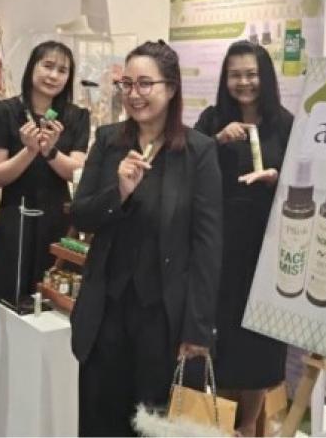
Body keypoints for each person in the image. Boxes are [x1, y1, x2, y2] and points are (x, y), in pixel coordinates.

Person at [70, 40, 223, 436]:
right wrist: (118, 192)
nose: (134, 94)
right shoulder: (108, 141)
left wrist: (197, 329)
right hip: (107, 310)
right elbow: (81, 214)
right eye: (127, 84)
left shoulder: (198, 151)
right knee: (100, 418)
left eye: (145, 84)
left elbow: (207, 244)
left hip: (163, 316)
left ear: (170, 88)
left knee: (153, 423)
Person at [194, 40, 294, 436]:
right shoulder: (212, 119)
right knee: (220, 337)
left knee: (258, 343)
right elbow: (187, 163)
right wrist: (216, 140)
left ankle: (249, 424)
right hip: (219, 246)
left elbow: (304, 178)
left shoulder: (284, 123)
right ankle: (220, 423)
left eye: (251, 74)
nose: (243, 82)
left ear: (265, 77)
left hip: (265, 247)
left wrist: (275, 177)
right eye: (235, 75)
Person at [0, 40, 89, 342]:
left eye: (62, 70)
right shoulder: (3, 111)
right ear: (32, 68)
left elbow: (75, 172)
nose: (53, 75)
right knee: (9, 295)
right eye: (47, 66)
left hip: (58, 217)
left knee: (54, 294)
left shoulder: (76, 116)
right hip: (15, 216)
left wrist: (50, 151)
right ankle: (4, 358)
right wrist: (29, 151)